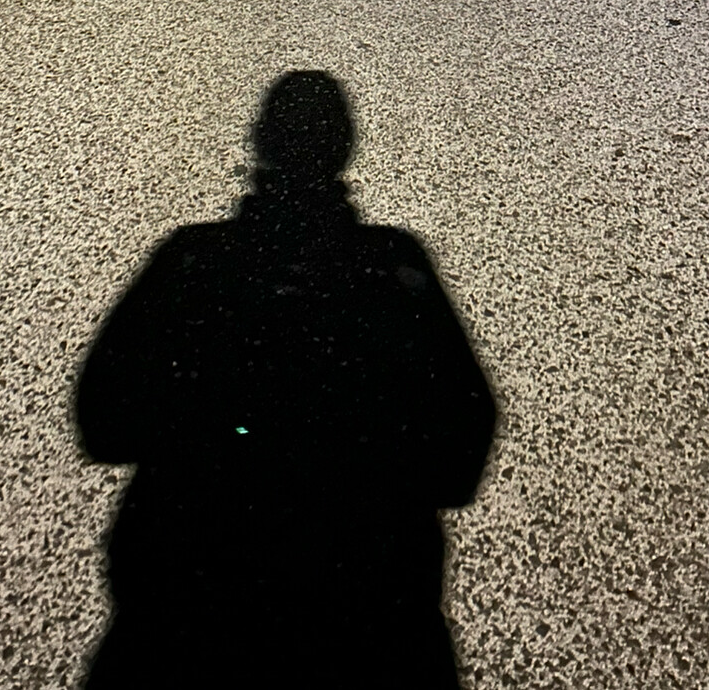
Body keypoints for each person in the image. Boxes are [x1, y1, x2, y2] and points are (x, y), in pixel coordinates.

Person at [75, 70, 497, 689]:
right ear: (345, 147)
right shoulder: (392, 268)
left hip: (188, 608)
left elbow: (102, 423)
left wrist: (209, 440)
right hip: (369, 615)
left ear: (260, 142)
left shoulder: (192, 262)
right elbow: (461, 449)